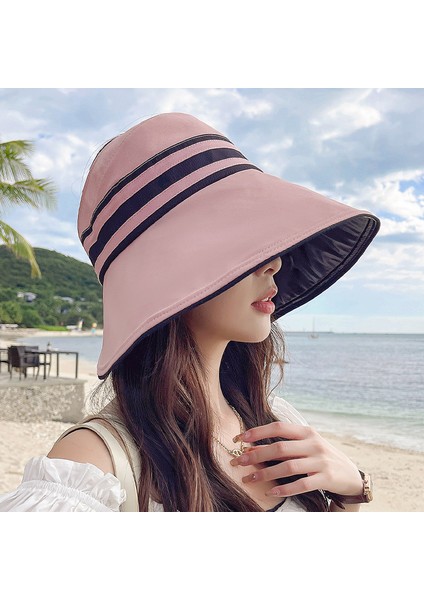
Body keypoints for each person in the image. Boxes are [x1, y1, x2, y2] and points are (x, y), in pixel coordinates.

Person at [0, 112, 379, 512]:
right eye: (243, 243)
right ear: (169, 269)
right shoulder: (92, 466)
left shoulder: (277, 421)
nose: (274, 263)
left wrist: (353, 491)